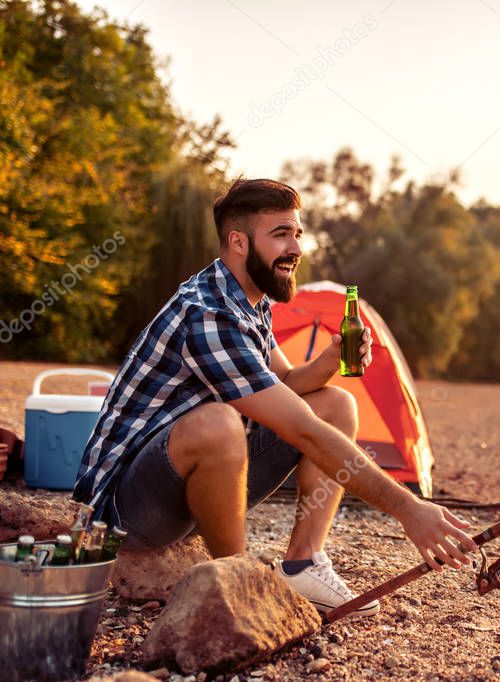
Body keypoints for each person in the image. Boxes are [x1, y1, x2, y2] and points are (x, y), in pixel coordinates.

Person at [73, 178, 475, 617]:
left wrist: (329, 361)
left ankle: (303, 563)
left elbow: (285, 380)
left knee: (337, 404)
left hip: (180, 486)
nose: (296, 248)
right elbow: (300, 428)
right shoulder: (207, 312)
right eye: (281, 234)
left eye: (297, 233)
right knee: (220, 424)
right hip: (123, 513)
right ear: (238, 242)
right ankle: (233, 581)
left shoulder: (251, 299)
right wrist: (408, 507)